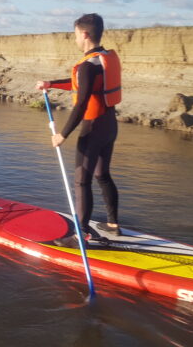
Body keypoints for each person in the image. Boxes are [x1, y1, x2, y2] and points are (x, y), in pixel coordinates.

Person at [36, 13, 121, 238]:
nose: (74, 39)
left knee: (81, 181)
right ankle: (113, 225)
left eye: (75, 35)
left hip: (92, 128)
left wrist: (62, 135)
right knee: (102, 175)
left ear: (84, 34)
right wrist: (50, 84)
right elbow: (81, 86)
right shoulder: (103, 58)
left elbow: (81, 103)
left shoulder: (87, 66)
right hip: (110, 126)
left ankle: (81, 234)